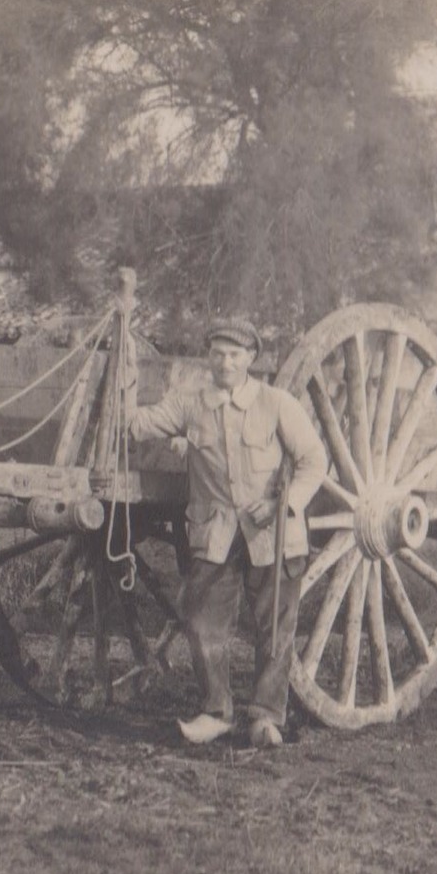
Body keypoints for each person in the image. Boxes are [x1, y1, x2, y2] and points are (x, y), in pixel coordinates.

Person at [125, 319, 328, 747]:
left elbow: (314, 459)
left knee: (274, 624)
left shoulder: (276, 404)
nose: (225, 362)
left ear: (250, 358)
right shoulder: (191, 404)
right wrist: (121, 385)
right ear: (208, 357)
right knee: (200, 620)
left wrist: (281, 505)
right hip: (215, 531)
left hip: (272, 532)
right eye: (217, 353)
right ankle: (216, 711)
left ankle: (267, 717)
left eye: (234, 354)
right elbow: (141, 424)